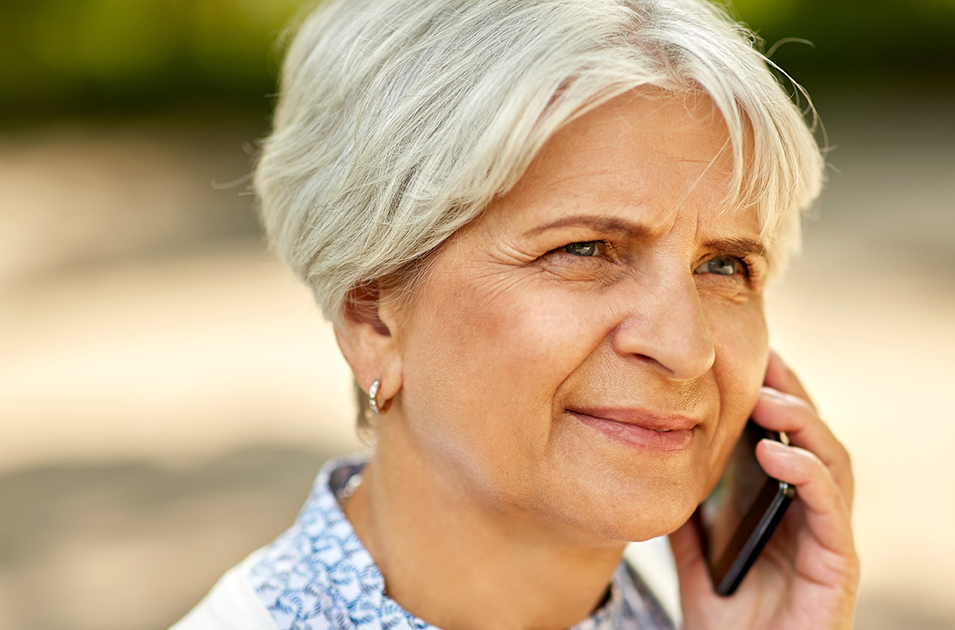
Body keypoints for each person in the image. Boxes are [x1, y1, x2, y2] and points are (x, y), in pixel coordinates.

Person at [172, 0, 858, 628]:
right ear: (372, 319)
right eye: (585, 249)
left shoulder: (673, 596)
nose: (687, 348)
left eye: (724, 266)